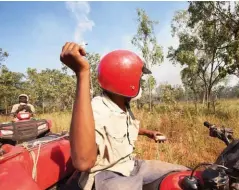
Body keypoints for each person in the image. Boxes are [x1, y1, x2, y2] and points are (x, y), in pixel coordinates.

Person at [60, 42, 189, 190]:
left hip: (130, 165)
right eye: (139, 79)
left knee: (182, 174)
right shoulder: (97, 109)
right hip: (106, 175)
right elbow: (83, 162)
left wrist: (148, 133)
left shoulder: (122, 105)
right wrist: (82, 73)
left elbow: (121, 128)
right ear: (128, 82)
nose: (139, 83)